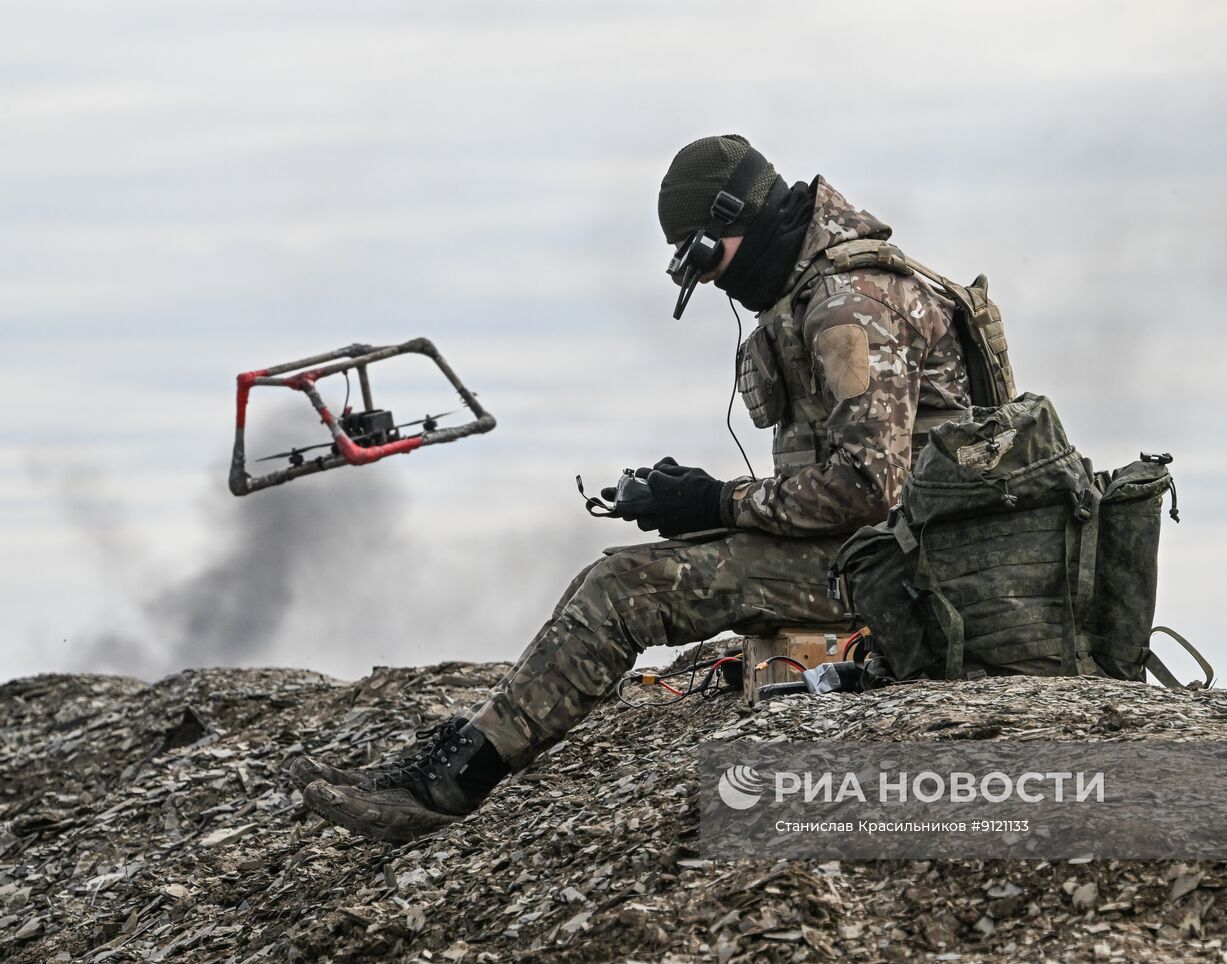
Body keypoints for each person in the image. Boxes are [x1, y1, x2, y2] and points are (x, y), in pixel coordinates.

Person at [295, 134, 979, 842]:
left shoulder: (847, 305)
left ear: (734, 218)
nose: (712, 282)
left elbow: (869, 487)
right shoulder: (819, 289)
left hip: (911, 572)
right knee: (609, 576)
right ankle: (467, 745)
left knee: (626, 589)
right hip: (877, 553)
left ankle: (452, 784)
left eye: (705, 259)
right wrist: (689, 499)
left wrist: (715, 502)